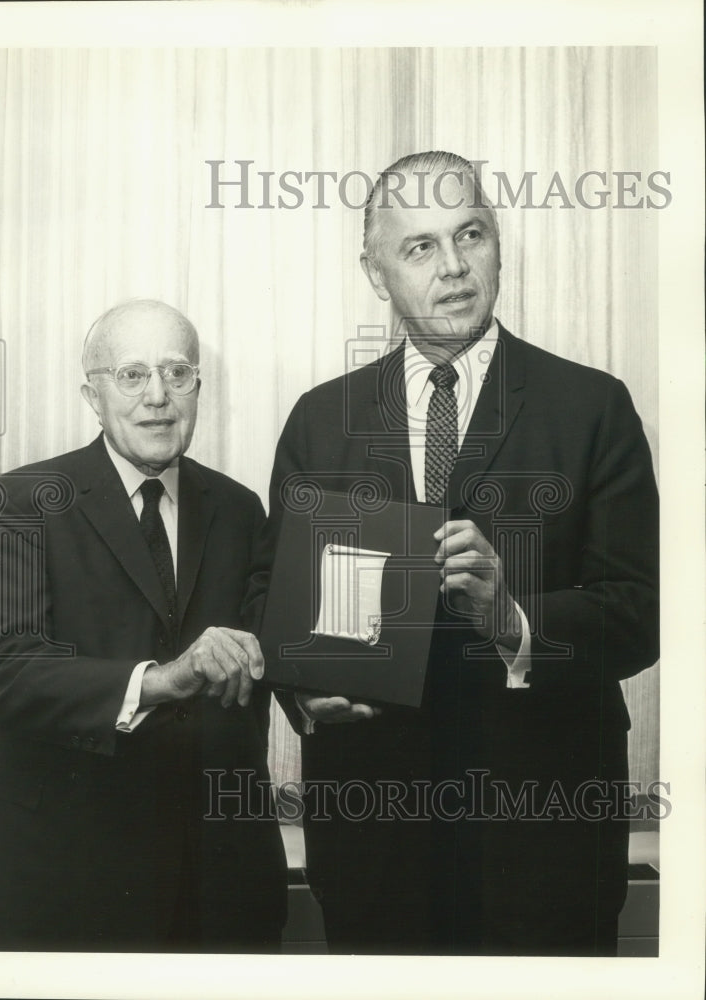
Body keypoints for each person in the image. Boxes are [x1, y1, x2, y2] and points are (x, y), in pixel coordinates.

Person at [261, 151, 659, 956]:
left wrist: (511, 618)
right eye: (420, 247)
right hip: (375, 839)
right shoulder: (319, 421)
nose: (453, 267)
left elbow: (643, 612)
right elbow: (283, 613)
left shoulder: (593, 406)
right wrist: (303, 692)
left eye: (469, 234)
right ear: (375, 272)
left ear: (499, 244)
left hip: (543, 841)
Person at [0, 299, 287, 952]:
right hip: (69, 873)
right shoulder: (27, 502)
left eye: (178, 374)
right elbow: (5, 674)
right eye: (132, 375)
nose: (158, 397)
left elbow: (273, 648)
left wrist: (327, 686)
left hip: (219, 876)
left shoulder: (239, 508)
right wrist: (161, 681)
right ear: (91, 393)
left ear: (198, 387)